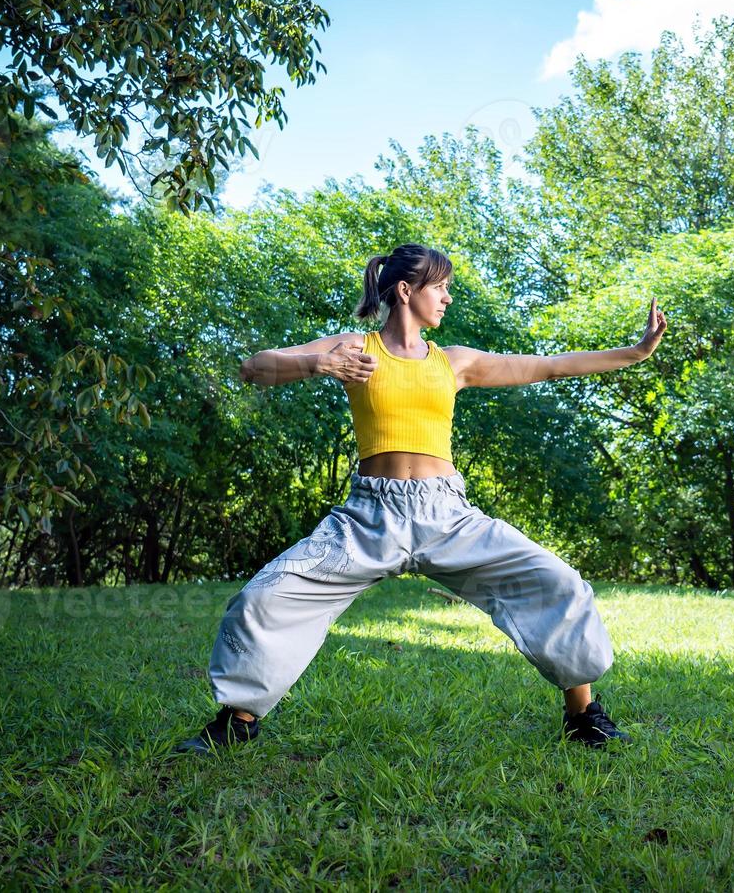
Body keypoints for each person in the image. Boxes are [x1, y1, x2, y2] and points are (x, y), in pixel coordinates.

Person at [173, 243, 668, 754]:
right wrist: (321, 364)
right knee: (265, 596)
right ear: (406, 291)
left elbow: (548, 367)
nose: (448, 298)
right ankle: (238, 721)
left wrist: (634, 353)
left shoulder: (454, 363)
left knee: (556, 582)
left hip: (447, 516)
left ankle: (583, 714)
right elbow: (253, 368)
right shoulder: (356, 348)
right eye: (441, 287)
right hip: (369, 517)